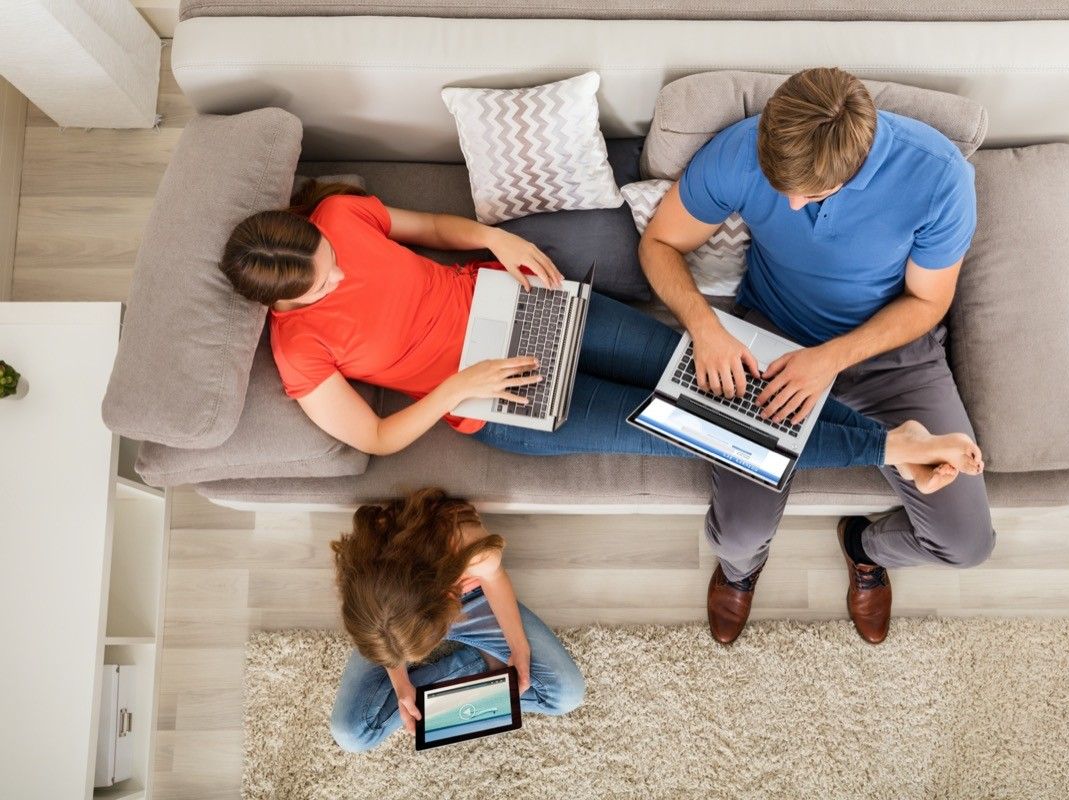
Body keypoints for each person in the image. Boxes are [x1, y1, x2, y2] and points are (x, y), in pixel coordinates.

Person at [217, 181, 981, 500]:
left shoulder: (339, 220)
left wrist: (492, 239)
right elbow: (378, 437)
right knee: (694, 431)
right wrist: (456, 386)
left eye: (327, 262)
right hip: (498, 398)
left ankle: (893, 439)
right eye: (319, 286)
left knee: (705, 379)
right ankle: (888, 448)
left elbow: (431, 230)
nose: (335, 275)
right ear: (280, 307)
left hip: (526, 306)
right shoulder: (299, 351)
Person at [639, 66, 996, 646]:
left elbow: (928, 300)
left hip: (889, 354)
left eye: (812, 193)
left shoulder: (939, 177)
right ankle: (741, 572)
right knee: (735, 536)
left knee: (967, 545)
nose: (793, 204)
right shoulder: (743, 148)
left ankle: (863, 546)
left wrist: (830, 359)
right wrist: (705, 327)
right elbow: (658, 243)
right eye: (781, 188)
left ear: (858, 166)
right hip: (771, 343)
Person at [328, 487, 585, 752]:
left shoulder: (469, 547)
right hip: (394, 614)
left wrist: (519, 647)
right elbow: (385, 631)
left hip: (473, 601)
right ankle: (483, 664)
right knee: (350, 736)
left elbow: (494, 578)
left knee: (566, 695)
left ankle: (482, 665)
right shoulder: (367, 566)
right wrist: (400, 681)